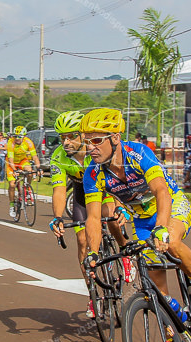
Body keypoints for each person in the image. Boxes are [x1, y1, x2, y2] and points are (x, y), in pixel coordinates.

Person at [80, 108, 191, 321]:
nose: (90, 147)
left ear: (116, 138)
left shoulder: (138, 153)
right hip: (142, 220)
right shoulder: (92, 173)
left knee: (171, 242)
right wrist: (92, 252)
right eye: (87, 142)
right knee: (158, 293)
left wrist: (162, 228)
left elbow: (161, 191)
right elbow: (92, 218)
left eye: (97, 140)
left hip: (171, 206)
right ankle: (176, 332)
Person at [47, 110, 130, 318]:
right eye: (62, 137)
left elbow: (116, 179)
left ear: (82, 135)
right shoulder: (58, 157)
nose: (66, 142)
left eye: (71, 136)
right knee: (82, 241)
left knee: (109, 214)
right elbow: (58, 191)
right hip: (81, 192)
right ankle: (93, 295)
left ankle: (124, 250)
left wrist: (119, 205)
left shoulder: (96, 150)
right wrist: (57, 217)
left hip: (104, 188)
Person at [5, 125, 41, 218]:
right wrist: (14, 170)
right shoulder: (11, 143)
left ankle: (27, 189)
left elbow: (34, 156)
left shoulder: (28, 142)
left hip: (22, 161)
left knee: (29, 171)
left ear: (24, 136)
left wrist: (39, 168)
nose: (16, 138)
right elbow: (11, 159)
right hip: (11, 163)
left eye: (19, 136)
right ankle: (12, 205)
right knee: (12, 184)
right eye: (15, 136)